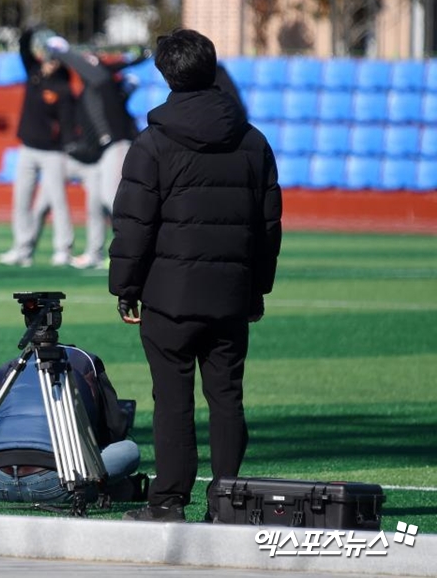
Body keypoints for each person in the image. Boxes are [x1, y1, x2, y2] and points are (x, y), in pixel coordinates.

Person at [109, 28, 282, 522]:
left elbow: (133, 225)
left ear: (166, 75)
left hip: (169, 296)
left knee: (173, 400)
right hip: (230, 295)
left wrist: (125, 287)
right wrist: (257, 288)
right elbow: (267, 225)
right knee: (227, 398)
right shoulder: (252, 141)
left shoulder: (153, 142)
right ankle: (228, 502)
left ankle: (167, 501)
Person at [0, 345, 143, 506]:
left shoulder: (15, 364)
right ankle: (119, 490)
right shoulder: (85, 361)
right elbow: (114, 428)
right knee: (129, 449)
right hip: (57, 484)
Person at [47, 39, 150, 270]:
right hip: (100, 153)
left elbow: (89, 68)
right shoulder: (93, 89)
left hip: (117, 146)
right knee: (95, 203)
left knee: (110, 199)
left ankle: (139, 247)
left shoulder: (102, 82)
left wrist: (63, 50)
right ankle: (94, 253)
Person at [0, 27, 76, 268]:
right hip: (28, 148)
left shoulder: (63, 87)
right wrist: (30, 30)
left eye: (54, 60)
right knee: (21, 200)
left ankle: (63, 248)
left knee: (57, 201)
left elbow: (67, 123)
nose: (49, 63)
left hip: (52, 152)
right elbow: (24, 49)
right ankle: (22, 249)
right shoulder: (34, 73)